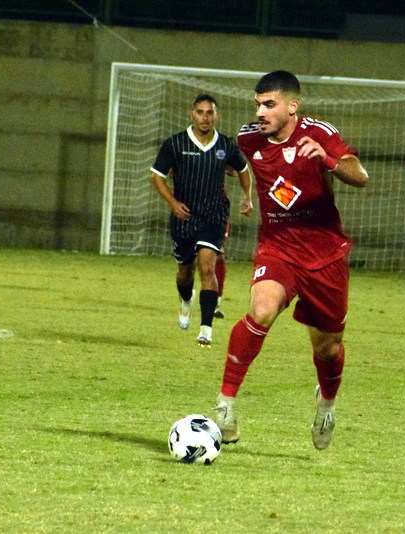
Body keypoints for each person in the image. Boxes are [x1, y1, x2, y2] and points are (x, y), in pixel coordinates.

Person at [213, 70, 369, 450]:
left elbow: (360, 175)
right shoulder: (249, 138)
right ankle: (225, 404)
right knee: (262, 309)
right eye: (258, 104)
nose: (260, 112)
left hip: (325, 253)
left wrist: (327, 160)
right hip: (278, 247)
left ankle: (326, 404)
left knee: (328, 348)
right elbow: (232, 162)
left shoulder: (319, 133)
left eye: (269, 104)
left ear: (292, 106)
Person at [151, 94, 253, 346]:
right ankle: (186, 300)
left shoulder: (226, 145)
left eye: (209, 113)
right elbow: (157, 176)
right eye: (200, 112)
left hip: (214, 215)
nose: (205, 118)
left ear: (216, 116)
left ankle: (206, 329)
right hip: (184, 216)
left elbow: (243, 170)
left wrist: (247, 197)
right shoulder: (175, 143)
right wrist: (173, 203)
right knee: (185, 273)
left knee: (207, 267)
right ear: (191, 114)